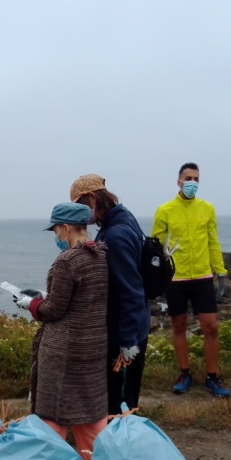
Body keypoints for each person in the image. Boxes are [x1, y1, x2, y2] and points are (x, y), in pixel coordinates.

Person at [15, 204, 109, 460]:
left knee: (53, 424)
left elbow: (55, 310)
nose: (55, 235)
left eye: (56, 229)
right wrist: (44, 297)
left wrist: (29, 304)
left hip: (63, 352)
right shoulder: (101, 256)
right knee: (93, 423)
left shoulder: (67, 260)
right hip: (93, 348)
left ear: (66, 228)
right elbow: (83, 301)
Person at [70, 174, 150, 415]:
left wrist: (127, 341)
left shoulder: (115, 235)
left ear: (93, 199)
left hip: (123, 333)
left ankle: (121, 448)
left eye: (80, 207)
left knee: (120, 402)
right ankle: (121, 443)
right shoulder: (124, 218)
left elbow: (131, 290)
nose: (79, 215)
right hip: (134, 325)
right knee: (123, 398)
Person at [152, 163, 230, 397]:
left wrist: (221, 272)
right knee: (178, 325)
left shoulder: (207, 208)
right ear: (178, 182)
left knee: (211, 326)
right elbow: (155, 247)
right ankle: (184, 373)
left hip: (203, 277)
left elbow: (212, 242)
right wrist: (157, 279)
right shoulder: (165, 210)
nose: (192, 182)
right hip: (176, 278)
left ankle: (212, 377)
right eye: (188, 178)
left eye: (196, 178)